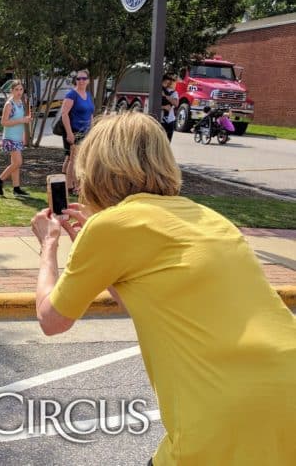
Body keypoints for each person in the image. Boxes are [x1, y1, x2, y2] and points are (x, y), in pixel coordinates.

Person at [30, 112, 296, 465]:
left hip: (225, 412)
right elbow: (145, 297)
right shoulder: (209, 217)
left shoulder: (111, 225)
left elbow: (51, 320)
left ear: (97, 170)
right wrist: (98, 260)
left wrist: (49, 245)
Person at [0, 79, 32, 197]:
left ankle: (16, 188)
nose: (19, 92)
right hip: (10, 138)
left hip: (17, 138)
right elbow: (4, 122)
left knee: (15, 163)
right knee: (18, 162)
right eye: (16, 90)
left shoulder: (20, 102)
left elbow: (20, 121)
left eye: (21, 89)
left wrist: (24, 128)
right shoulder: (9, 104)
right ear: (12, 91)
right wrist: (22, 120)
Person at [60, 70, 94, 195]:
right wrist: (69, 133)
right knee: (74, 160)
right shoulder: (71, 95)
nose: (81, 81)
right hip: (74, 131)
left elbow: (90, 114)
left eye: (84, 78)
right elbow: (64, 114)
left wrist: (92, 130)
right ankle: (71, 187)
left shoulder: (88, 95)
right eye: (78, 79)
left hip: (85, 131)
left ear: (88, 80)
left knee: (79, 159)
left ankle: (74, 186)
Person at [160, 74, 178, 142]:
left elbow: (176, 104)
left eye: (168, 83)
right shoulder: (159, 90)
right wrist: (164, 107)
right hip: (161, 120)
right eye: (165, 83)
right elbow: (152, 105)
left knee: (168, 141)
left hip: (170, 120)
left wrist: (166, 96)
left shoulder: (172, 92)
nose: (167, 85)